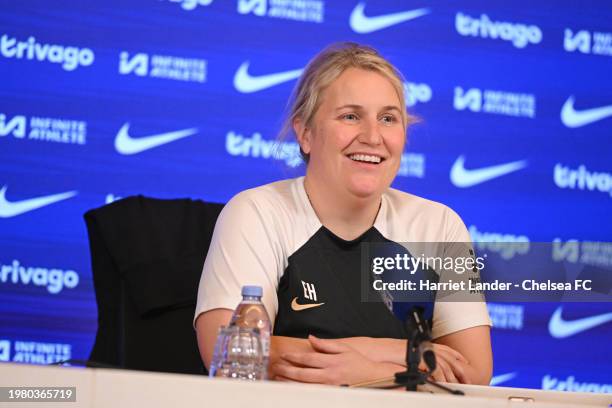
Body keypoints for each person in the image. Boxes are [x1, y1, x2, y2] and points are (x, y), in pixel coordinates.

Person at [194, 42, 492, 386]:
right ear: (305, 133)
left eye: (388, 118)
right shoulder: (255, 212)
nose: (372, 136)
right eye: (350, 116)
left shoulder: (439, 224)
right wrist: (398, 356)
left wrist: (369, 370)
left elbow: (473, 373)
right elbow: (232, 351)